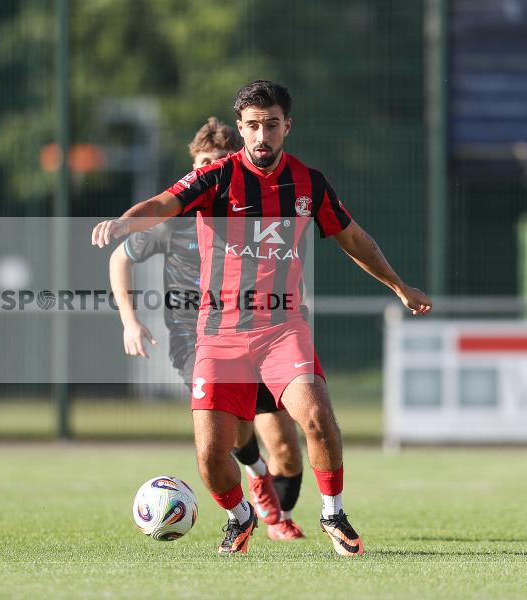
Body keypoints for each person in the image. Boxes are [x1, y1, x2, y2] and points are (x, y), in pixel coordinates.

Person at [93, 80, 432, 555]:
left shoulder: (307, 183)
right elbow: (164, 203)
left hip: (281, 328)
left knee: (316, 417)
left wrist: (399, 285)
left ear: (286, 127)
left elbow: (353, 238)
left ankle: (333, 513)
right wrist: (128, 221)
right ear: (241, 128)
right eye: (252, 126)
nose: (261, 136)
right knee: (211, 455)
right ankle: (240, 516)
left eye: (271, 125)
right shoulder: (215, 178)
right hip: (218, 334)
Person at [108, 117, 305, 540]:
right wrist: (130, 320)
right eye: (201, 164)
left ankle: (276, 508)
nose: (207, 172)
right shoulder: (172, 220)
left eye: (216, 163)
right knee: (232, 423)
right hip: (194, 336)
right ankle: (255, 483)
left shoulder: (251, 215)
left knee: (286, 448)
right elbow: (120, 258)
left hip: (258, 331)